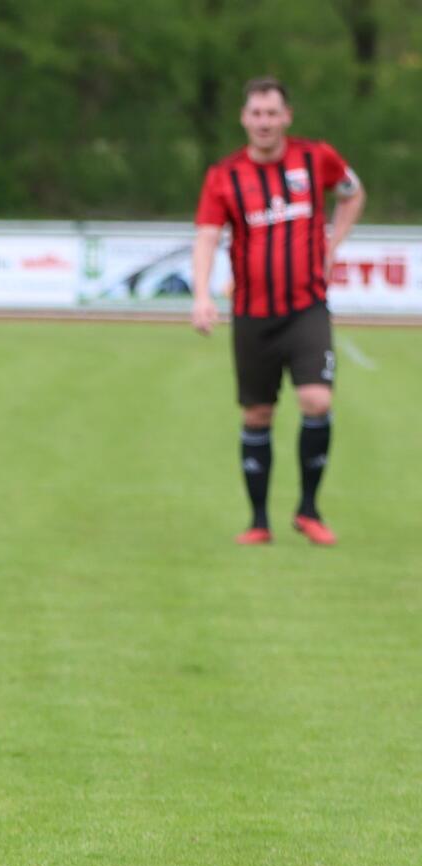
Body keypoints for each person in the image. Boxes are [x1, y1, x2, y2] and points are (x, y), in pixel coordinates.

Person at [191, 76, 364, 546]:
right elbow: (207, 235)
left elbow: (352, 192)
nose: (264, 122)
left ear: (287, 117)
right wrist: (203, 295)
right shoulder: (224, 176)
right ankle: (258, 521)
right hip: (252, 314)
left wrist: (333, 242)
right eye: (256, 114)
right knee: (257, 414)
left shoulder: (316, 158)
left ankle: (308, 510)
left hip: (307, 307)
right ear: (244, 119)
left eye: (272, 113)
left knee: (316, 400)